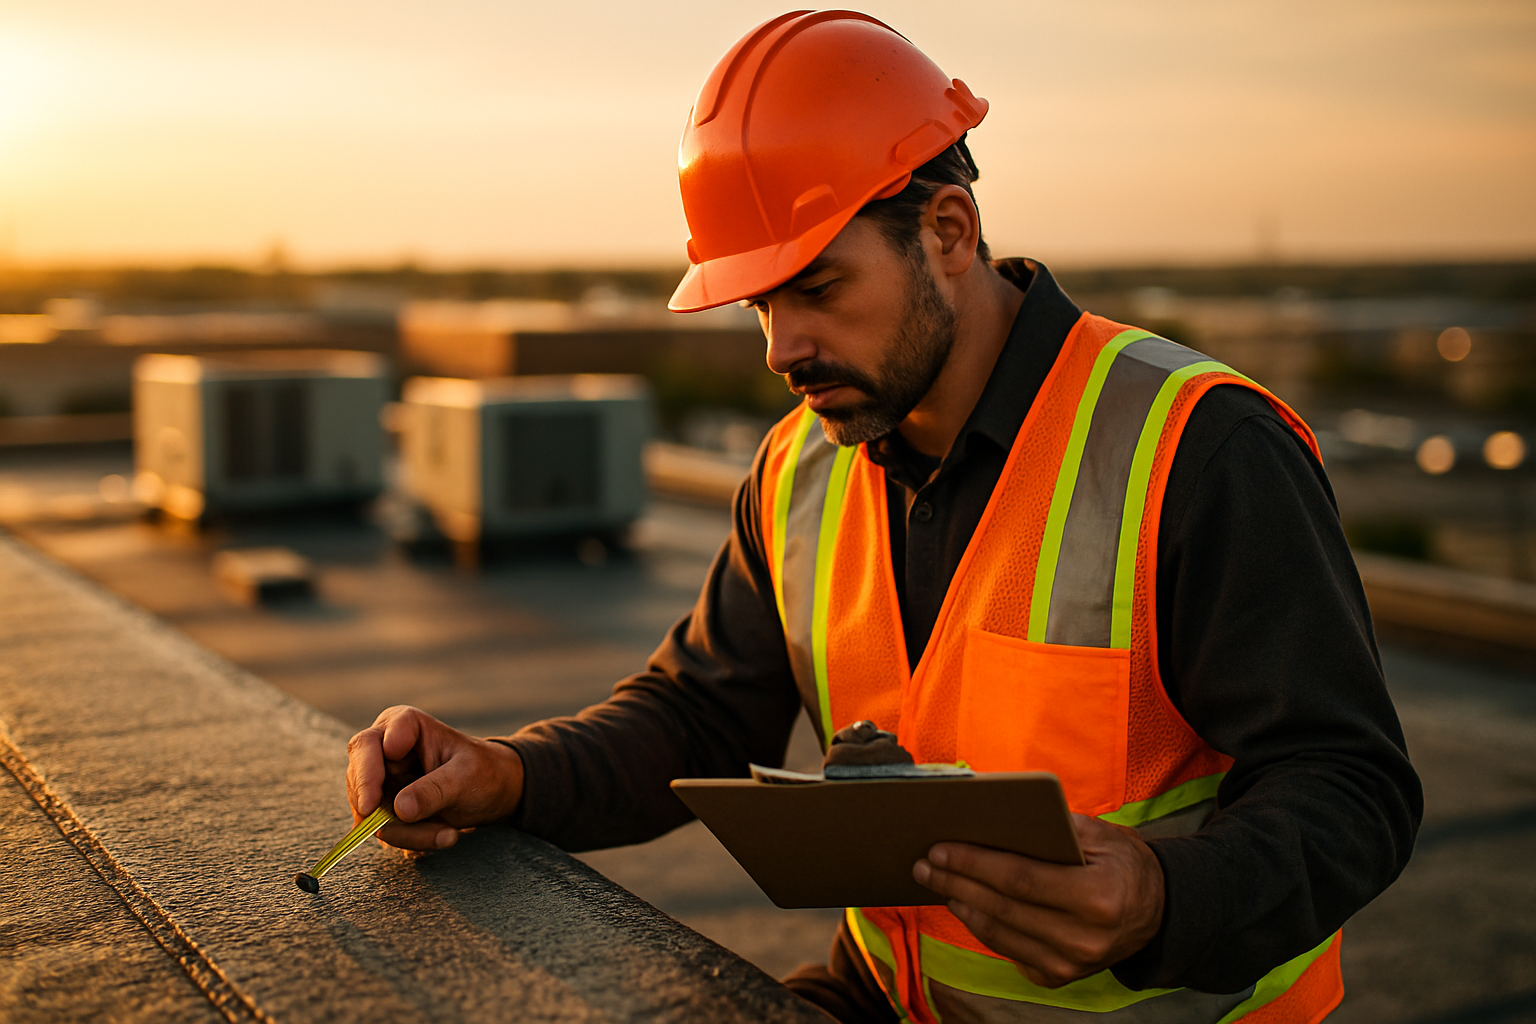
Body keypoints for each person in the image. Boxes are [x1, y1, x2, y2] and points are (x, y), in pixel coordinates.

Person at [346, 12, 1421, 1023]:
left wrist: (1160, 897)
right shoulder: (801, 467)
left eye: (815, 288)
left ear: (947, 230)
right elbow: (700, 716)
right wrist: (506, 771)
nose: (779, 346)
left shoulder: (1198, 446)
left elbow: (1353, 788)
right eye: (760, 304)